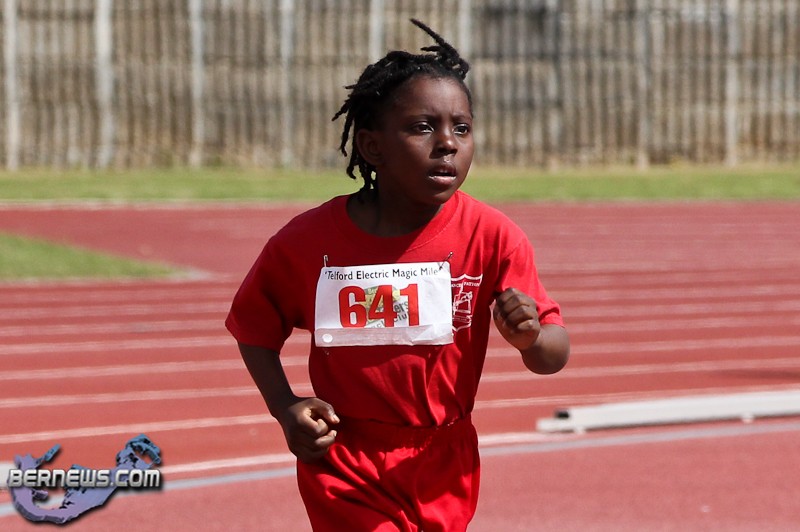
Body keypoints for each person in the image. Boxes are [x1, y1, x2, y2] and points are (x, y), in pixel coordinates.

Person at [225, 18, 569, 532]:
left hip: (445, 459)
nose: (447, 143)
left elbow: (552, 356)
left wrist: (531, 338)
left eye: (462, 128)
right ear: (372, 147)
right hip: (345, 458)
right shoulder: (308, 240)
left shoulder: (493, 237)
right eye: (422, 127)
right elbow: (253, 326)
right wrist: (284, 406)